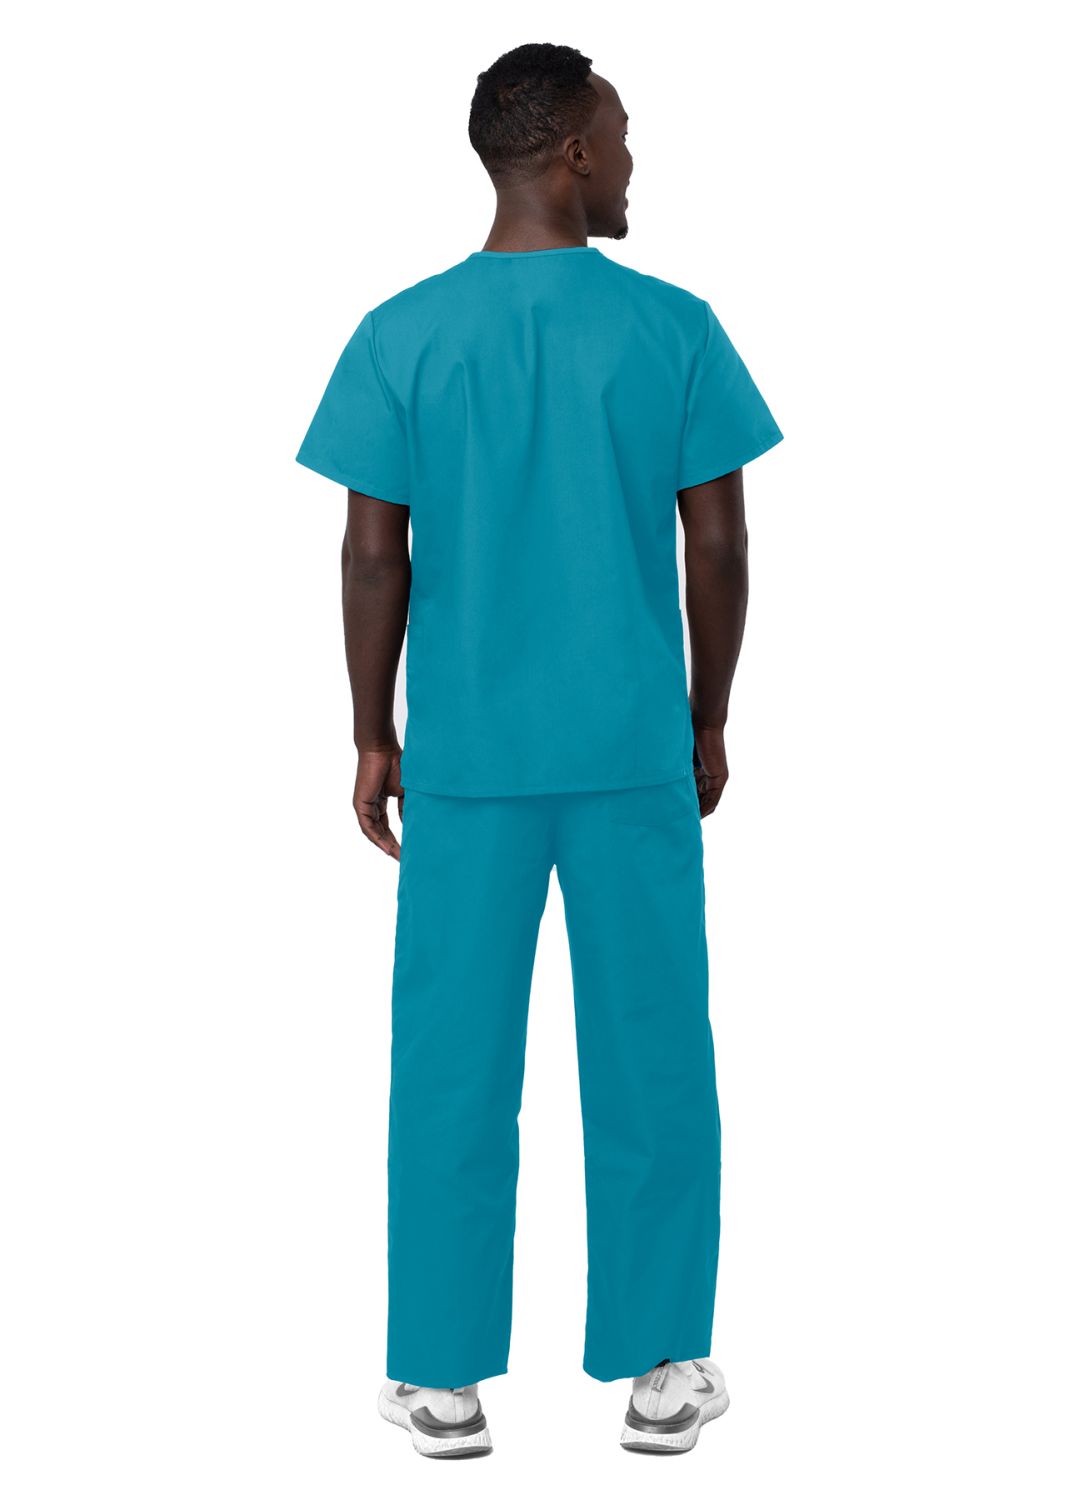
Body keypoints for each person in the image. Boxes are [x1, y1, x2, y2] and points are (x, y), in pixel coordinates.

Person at [295, 42, 783, 1459]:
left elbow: (372, 553)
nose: (631, 160)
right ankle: (663, 1366)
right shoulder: (674, 328)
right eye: (619, 136)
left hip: (466, 763)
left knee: (452, 1065)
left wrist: (370, 730)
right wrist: (708, 714)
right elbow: (718, 543)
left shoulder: (402, 333)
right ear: (570, 153)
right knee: (654, 1055)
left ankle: (441, 1379)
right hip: (631, 753)